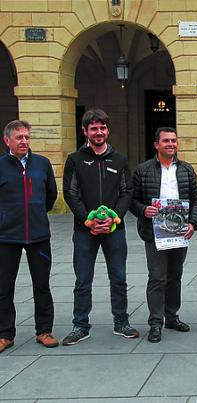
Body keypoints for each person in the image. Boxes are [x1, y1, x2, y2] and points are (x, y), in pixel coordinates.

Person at [62, 108, 138, 345]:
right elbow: (70, 193)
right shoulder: (75, 160)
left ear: (107, 130)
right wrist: (88, 220)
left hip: (114, 229)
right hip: (85, 229)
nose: (99, 132)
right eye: (94, 128)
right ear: (85, 131)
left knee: (119, 277)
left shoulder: (120, 159)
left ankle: (121, 322)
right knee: (82, 279)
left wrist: (114, 217)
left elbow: (127, 192)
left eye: (102, 128)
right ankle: (80, 325)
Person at [130, 127, 197, 343]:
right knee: (157, 277)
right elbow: (131, 200)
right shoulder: (143, 170)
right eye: (166, 141)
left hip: (180, 232)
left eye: (174, 140)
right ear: (156, 144)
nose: (171, 144)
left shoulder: (186, 170)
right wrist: (143, 210)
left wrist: (193, 223)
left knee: (175, 277)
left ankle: (172, 317)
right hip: (154, 233)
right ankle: (155, 323)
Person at [0, 120, 58, 352]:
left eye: (26, 137)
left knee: (42, 285)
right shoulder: (1, 165)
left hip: (38, 235)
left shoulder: (42, 164)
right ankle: (5, 334)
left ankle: (44, 331)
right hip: (6, 236)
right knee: (4, 287)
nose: (24, 141)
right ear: (7, 141)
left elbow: (51, 196)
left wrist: (34, 213)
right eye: (19, 138)